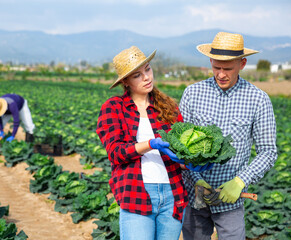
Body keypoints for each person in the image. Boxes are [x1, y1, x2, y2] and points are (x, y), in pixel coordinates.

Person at [96, 46, 213, 240]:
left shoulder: (168, 108)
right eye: (137, 75)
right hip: (136, 193)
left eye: (148, 70)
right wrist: (150, 144)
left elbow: (179, 154)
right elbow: (115, 153)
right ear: (125, 81)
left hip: (172, 193)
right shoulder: (114, 108)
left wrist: (191, 163)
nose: (147, 77)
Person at [179, 32, 278, 240]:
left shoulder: (258, 99)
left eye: (228, 68)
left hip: (231, 199)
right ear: (210, 61)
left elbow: (268, 151)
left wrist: (241, 181)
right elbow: (181, 148)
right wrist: (196, 179)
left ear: (242, 63)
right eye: (216, 67)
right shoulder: (192, 93)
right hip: (194, 194)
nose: (221, 74)